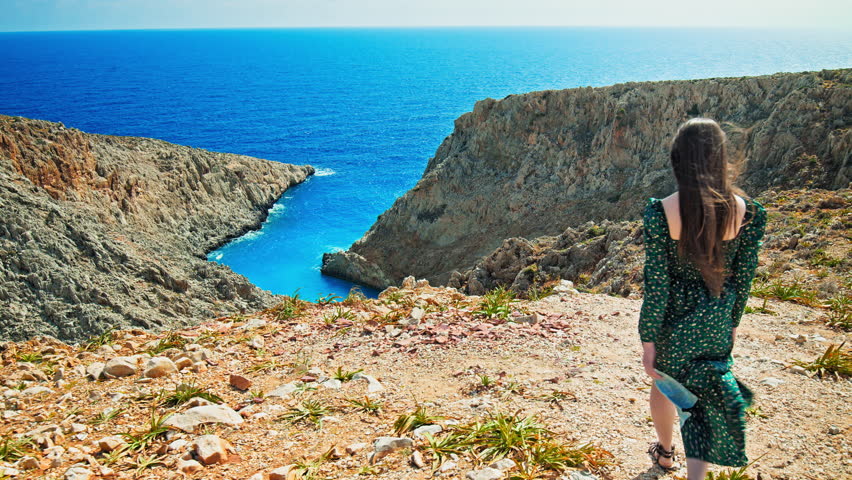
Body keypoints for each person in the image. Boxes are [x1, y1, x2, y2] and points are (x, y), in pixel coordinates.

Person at [638, 117, 767, 480]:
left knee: (665, 387)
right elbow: (743, 280)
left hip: (673, 320)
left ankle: (665, 455)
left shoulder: (662, 211)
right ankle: (697, 474)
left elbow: (658, 284)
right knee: (705, 400)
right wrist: (732, 323)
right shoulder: (747, 212)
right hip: (715, 319)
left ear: (678, 157)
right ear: (721, 157)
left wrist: (648, 339)